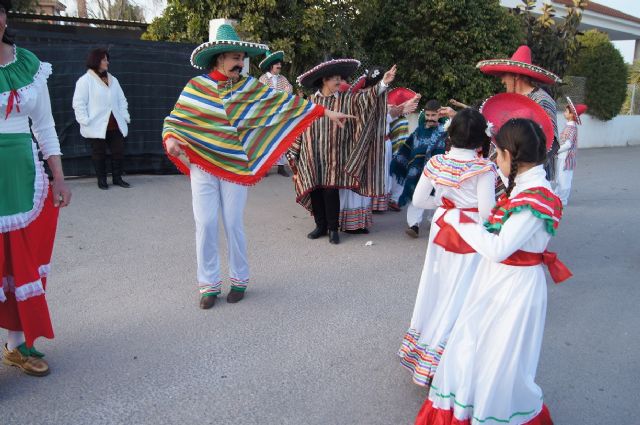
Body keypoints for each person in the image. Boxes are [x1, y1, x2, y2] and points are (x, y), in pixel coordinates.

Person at [163, 24, 352, 309]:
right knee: (205, 223)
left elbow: (283, 103)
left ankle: (239, 280)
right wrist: (171, 140)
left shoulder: (249, 87)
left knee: (233, 223)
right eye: (235, 57)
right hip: (202, 163)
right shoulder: (196, 87)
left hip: (236, 166)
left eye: (242, 58)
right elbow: (175, 120)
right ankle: (208, 285)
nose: (240, 63)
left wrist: (323, 111)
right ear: (219, 58)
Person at [415, 95, 572, 425]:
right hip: (500, 282)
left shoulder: (535, 199)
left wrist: (457, 219)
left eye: (497, 153)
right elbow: (501, 199)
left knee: (499, 362)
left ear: (511, 156)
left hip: (513, 287)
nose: (493, 160)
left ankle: (492, 415)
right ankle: (470, 409)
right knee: (473, 347)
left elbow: (498, 248)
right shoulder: (527, 187)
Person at [398, 108, 496, 388]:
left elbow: (418, 200)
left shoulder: (436, 162)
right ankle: (448, 352)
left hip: (443, 225)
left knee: (435, 284)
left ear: (449, 135)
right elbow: (488, 214)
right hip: (470, 229)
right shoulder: (484, 168)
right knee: (463, 289)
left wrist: (443, 206)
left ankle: (423, 344)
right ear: (481, 139)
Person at [0, 0, 72, 376]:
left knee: (21, 262)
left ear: (5, 17)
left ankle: (17, 343)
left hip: (26, 178)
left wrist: (58, 176)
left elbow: (44, 126)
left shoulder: (28, 65)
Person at [289, 60, 396, 244]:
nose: (339, 81)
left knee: (331, 192)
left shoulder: (346, 99)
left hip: (334, 156)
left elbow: (366, 99)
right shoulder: (311, 102)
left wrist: (383, 84)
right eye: (335, 78)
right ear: (324, 80)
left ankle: (332, 229)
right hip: (311, 156)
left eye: (340, 78)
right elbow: (298, 126)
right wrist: (295, 153)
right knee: (315, 191)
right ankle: (320, 226)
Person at [476, 45, 561, 181]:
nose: (502, 80)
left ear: (516, 76)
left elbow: (552, 142)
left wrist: (528, 166)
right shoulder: (510, 100)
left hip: (533, 174)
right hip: (507, 170)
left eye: (505, 76)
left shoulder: (542, 100)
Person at [72, 47, 131, 190]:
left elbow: (121, 100)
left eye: (107, 59)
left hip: (115, 124)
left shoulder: (113, 80)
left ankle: (117, 178)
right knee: (99, 153)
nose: (107, 62)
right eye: (104, 59)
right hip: (96, 125)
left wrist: (125, 116)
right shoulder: (85, 81)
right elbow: (78, 103)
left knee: (118, 151)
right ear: (96, 60)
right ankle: (102, 180)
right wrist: (85, 121)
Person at [390, 100, 447, 238]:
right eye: (427, 115)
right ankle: (414, 225)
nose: (430, 118)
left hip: (439, 171)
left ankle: (435, 223)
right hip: (418, 170)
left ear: (440, 115)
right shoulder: (419, 131)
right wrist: (399, 162)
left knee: (436, 196)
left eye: (433, 115)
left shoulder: (445, 131)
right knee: (415, 196)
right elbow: (409, 147)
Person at [258, 50, 294, 177]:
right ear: (271, 66)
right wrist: (279, 94)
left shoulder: (282, 78)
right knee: (266, 141)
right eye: (277, 64)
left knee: (281, 139)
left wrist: (278, 94)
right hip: (267, 115)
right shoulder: (263, 78)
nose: (279, 66)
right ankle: (265, 168)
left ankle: (280, 166)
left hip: (280, 114)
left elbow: (289, 89)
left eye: (280, 64)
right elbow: (264, 94)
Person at [555, 97, 587, 206]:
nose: (564, 113)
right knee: (560, 177)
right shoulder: (569, 127)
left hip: (566, 157)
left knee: (564, 179)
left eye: (566, 111)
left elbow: (568, 144)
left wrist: (557, 151)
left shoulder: (571, 128)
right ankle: (557, 195)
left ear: (571, 115)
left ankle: (563, 199)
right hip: (562, 156)